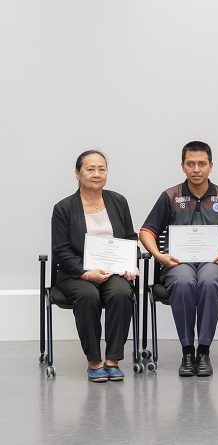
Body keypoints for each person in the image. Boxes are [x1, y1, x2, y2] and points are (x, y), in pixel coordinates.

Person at [140, 141, 218, 377]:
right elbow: (147, 231)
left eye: (201, 164)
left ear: (211, 166)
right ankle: (187, 351)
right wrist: (158, 255)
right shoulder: (170, 196)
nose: (196, 169)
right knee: (183, 282)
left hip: (213, 263)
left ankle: (204, 351)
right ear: (182, 166)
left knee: (209, 282)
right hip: (178, 263)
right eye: (190, 164)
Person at [51, 150, 138, 382]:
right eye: (90, 169)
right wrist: (85, 273)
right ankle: (94, 361)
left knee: (121, 293)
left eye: (102, 169)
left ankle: (113, 359)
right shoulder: (63, 208)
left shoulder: (118, 201)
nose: (97, 174)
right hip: (76, 273)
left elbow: (130, 238)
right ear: (77, 174)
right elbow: (61, 250)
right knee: (88, 295)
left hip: (113, 271)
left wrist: (130, 263)